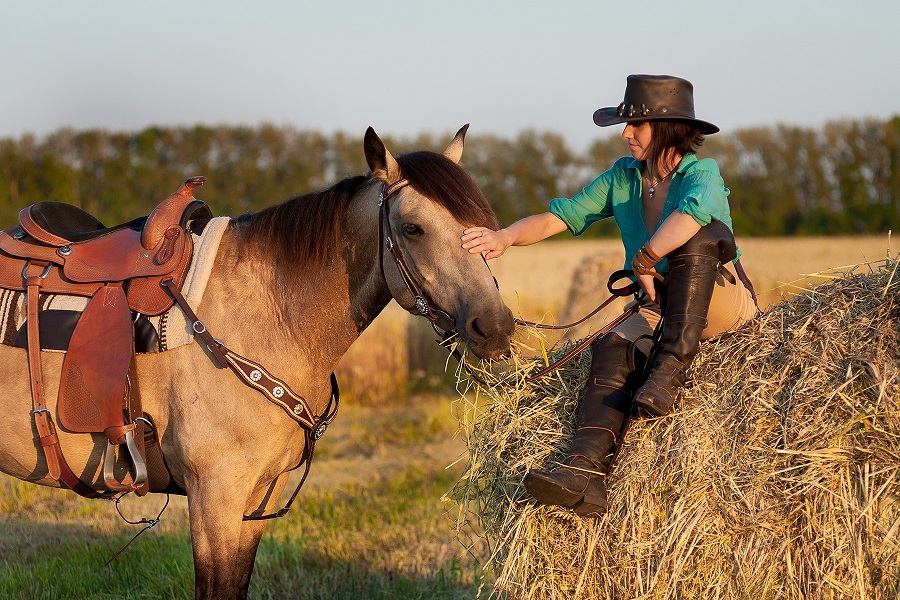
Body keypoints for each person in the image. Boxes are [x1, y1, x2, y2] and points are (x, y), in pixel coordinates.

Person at [460, 74, 758, 518]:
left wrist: (645, 260)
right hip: (660, 307)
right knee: (611, 343)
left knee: (697, 236)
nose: (625, 133)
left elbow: (693, 216)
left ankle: (670, 369)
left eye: (636, 124)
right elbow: (560, 216)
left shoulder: (701, 174)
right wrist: (504, 236)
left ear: (666, 127)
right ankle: (584, 474)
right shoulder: (623, 177)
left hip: (719, 302)